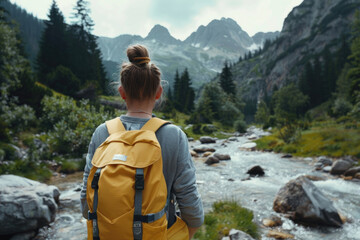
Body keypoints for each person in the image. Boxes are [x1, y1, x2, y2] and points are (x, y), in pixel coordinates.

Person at [80, 44, 204, 239]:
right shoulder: (173, 135)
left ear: (121, 92)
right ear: (158, 92)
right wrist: (186, 232)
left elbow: (85, 201)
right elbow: (190, 202)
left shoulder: (102, 133)